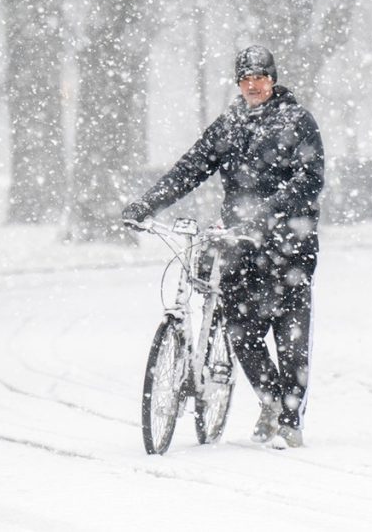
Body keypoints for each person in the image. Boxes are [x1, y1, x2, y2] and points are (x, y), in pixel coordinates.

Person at [122, 45, 323, 449]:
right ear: (238, 83)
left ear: (273, 79)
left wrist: (267, 213)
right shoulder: (229, 125)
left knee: (290, 337)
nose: (253, 85)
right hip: (239, 245)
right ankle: (269, 399)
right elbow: (190, 168)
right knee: (241, 331)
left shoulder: (297, 121)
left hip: (288, 248)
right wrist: (148, 202)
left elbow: (310, 180)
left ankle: (289, 419)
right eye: (246, 79)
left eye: (261, 78)